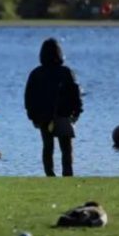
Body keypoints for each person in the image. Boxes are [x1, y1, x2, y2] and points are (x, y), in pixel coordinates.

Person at [24, 38, 83, 177]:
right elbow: (75, 94)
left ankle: (49, 174)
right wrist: (76, 112)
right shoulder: (66, 72)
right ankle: (67, 175)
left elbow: (29, 97)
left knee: (47, 147)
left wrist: (32, 116)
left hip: (43, 116)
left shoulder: (36, 73)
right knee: (66, 149)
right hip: (63, 115)